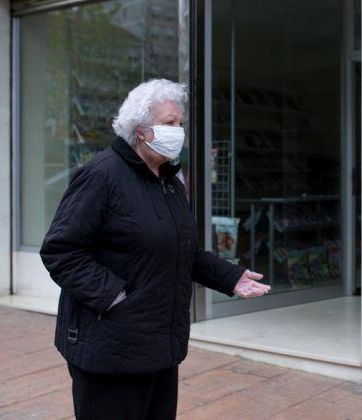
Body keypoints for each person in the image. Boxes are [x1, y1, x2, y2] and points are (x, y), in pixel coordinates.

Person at [40, 79, 271, 420]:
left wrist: (231, 278)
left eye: (180, 124)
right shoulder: (101, 176)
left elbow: (183, 250)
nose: (178, 131)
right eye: (169, 123)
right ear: (142, 130)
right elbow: (61, 251)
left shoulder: (168, 181)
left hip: (159, 348)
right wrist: (116, 297)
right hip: (110, 350)